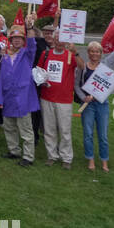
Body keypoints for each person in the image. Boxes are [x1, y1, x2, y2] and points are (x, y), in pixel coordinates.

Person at [74, 23, 114, 173]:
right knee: (88, 134)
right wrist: (83, 97)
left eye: (97, 52)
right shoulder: (82, 67)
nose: (94, 54)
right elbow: (76, 85)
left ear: (101, 53)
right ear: (88, 52)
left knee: (103, 135)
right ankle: (90, 159)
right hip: (88, 105)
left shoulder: (105, 64)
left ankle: (104, 161)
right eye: (92, 51)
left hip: (102, 104)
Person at [35, 25, 79, 169]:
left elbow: (83, 67)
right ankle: (51, 155)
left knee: (65, 130)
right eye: (57, 38)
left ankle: (66, 157)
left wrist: (76, 53)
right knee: (49, 129)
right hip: (47, 97)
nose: (59, 41)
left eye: (62, 39)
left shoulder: (70, 55)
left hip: (64, 100)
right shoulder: (46, 54)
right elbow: (38, 72)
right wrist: (42, 81)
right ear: (53, 39)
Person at [0, 25, 38, 166]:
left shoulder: (27, 54)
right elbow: (1, 78)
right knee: (9, 127)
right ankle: (14, 151)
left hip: (23, 97)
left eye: (20, 38)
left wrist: (30, 28)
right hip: (8, 97)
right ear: (10, 40)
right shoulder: (5, 56)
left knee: (25, 129)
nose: (17, 40)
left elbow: (32, 45)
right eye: (14, 38)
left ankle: (28, 156)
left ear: (23, 40)